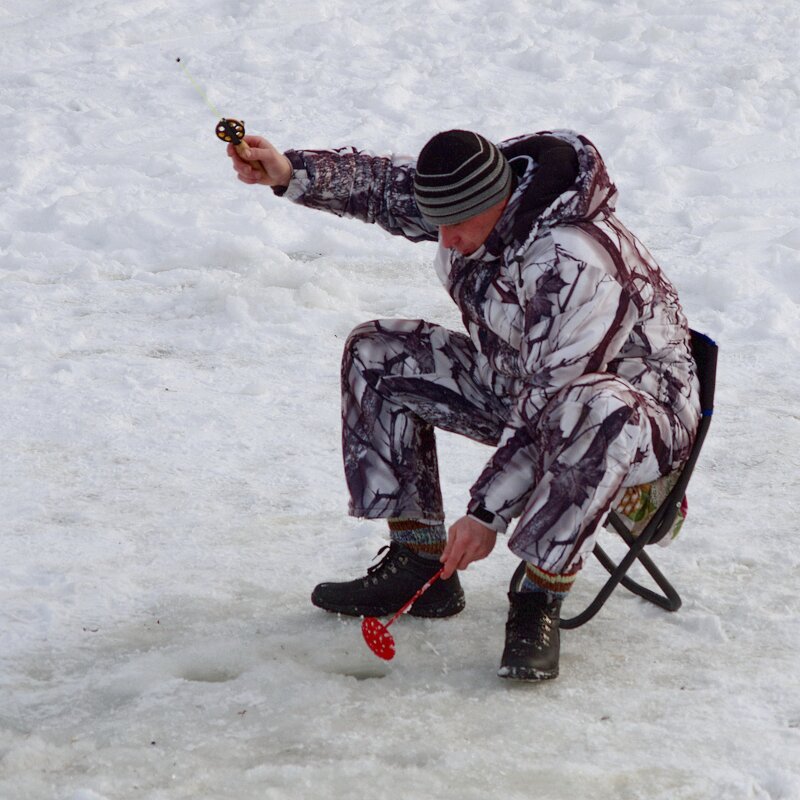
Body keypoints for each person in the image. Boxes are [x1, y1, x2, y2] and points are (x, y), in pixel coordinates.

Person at [227, 127, 701, 681]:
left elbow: (553, 401)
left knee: (596, 407)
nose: (445, 239)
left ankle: (537, 598)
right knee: (377, 353)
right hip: (525, 386)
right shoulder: (473, 199)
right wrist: (289, 173)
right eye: (439, 223)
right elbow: (386, 188)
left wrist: (484, 514)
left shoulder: (572, 263)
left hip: (632, 420)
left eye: (456, 226)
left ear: (499, 205)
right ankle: (419, 561)